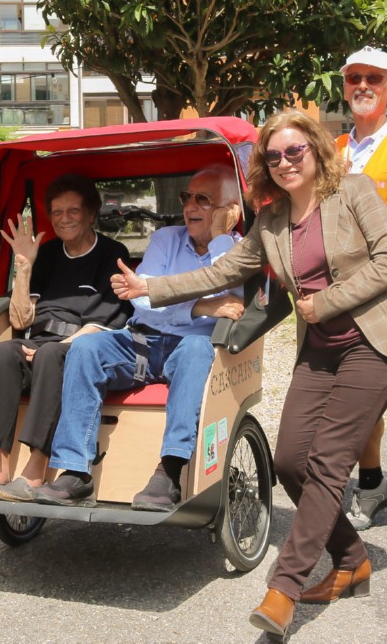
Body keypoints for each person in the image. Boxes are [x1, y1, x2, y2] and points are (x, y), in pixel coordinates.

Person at [112, 111, 387, 641]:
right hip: (319, 349)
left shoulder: (352, 193)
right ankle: (352, 559)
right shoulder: (273, 220)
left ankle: (283, 591)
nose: (285, 162)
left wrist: (328, 300)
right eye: (274, 156)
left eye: (295, 151)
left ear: (316, 151)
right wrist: (150, 287)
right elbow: (221, 271)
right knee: (289, 462)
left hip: (369, 346)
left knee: (328, 465)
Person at [32, 165, 244, 510]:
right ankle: (74, 470)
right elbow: (142, 299)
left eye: (203, 200)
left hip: (195, 349)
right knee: (85, 347)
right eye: (186, 197)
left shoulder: (238, 250)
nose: (190, 206)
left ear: (230, 210)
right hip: (143, 340)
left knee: (194, 347)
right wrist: (200, 308)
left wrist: (221, 237)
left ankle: (170, 472)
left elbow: (228, 289)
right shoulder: (165, 239)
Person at [0, 174, 132, 502]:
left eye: (73, 211)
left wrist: (60, 345)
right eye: (57, 212)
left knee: (51, 355)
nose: (64, 218)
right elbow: (21, 318)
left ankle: (36, 471)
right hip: (41, 340)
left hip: (83, 345)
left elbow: (102, 324)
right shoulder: (48, 254)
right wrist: (24, 267)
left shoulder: (111, 253)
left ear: (91, 213)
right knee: (1, 353)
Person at [337, 46, 387, 530]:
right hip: (348, 294)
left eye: (375, 77)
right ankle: (371, 485)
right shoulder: (331, 152)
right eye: (355, 77)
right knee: (363, 401)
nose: (364, 85)